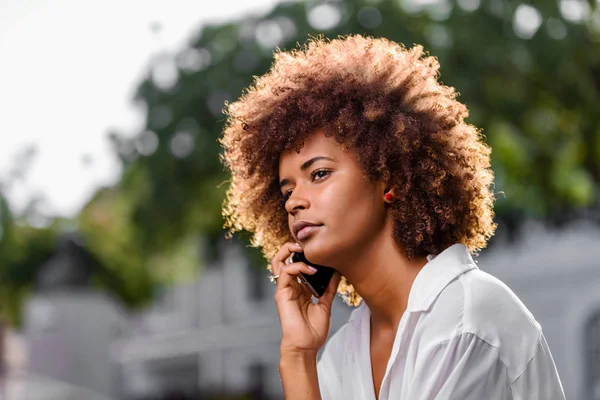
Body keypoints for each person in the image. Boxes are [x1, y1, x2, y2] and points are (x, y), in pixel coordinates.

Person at [219, 34, 565, 399]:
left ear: (392, 179)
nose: (293, 203)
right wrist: (298, 356)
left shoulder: (466, 318)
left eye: (319, 174)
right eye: (287, 191)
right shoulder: (340, 357)